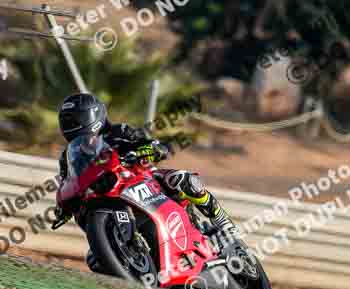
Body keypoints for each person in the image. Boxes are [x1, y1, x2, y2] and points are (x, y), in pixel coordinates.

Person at [55, 93, 239, 270]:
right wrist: (62, 207)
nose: (71, 125)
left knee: (182, 180)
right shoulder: (68, 157)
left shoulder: (118, 132)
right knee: (94, 260)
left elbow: (149, 143)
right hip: (106, 196)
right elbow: (68, 180)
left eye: (76, 119)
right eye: (67, 121)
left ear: (93, 115)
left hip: (141, 180)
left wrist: (149, 149)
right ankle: (137, 268)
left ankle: (223, 223)